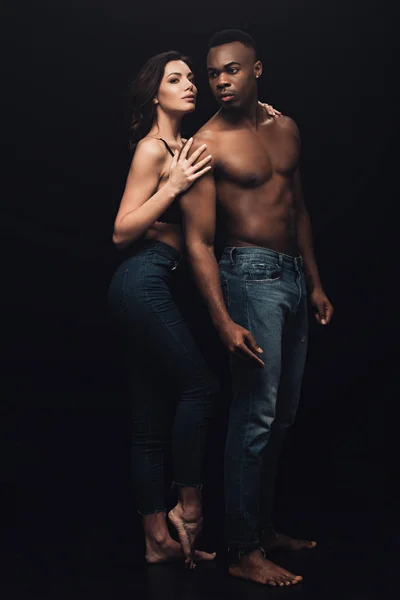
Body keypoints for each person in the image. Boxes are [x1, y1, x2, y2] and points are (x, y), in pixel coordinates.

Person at [108, 50, 280, 568]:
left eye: (190, 77)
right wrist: (174, 186)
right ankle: (189, 504)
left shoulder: (187, 144)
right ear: (153, 92)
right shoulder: (152, 149)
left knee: (148, 421)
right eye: (175, 78)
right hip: (142, 279)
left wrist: (259, 115)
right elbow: (121, 232)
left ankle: (156, 542)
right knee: (201, 388)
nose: (190, 85)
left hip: (154, 282)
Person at [180, 30, 334, 586]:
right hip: (248, 276)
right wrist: (222, 318)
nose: (221, 81)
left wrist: (315, 283)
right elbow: (198, 241)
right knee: (255, 417)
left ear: (257, 70)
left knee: (282, 416)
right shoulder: (205, 144)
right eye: (214, 73)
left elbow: (298, 209)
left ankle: (263, 530)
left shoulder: (285, 127)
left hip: (293, 276)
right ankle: (243, 549)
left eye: (232, 70)